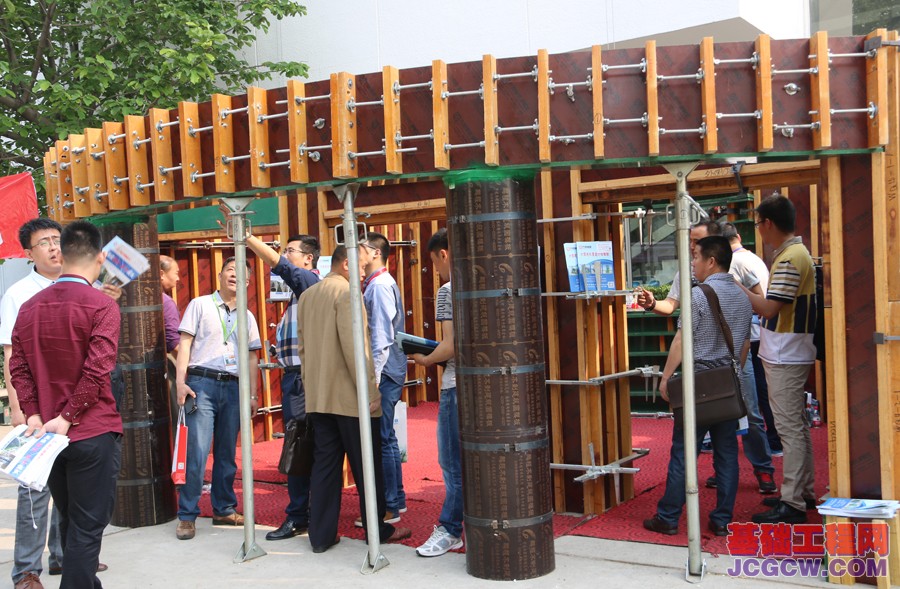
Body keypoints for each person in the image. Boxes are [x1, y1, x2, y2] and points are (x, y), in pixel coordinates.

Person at [9, 220, 123, 589]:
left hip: (48, 435)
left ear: (64, 253)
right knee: (87, 527)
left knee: (72, 520)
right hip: (90, 431)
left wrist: (35, 414)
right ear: (100, 257)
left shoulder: (29, 306)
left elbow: (18, 367)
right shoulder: (101, 305)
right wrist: (67, 416)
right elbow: (97, 370)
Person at [638, 220, 777, 495]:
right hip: (710, 360)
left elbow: (759, 301)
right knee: (721, 431)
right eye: (690, 240)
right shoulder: (688, 270)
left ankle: (763, 469)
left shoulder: (737, 266)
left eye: (697, 241)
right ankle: (721, 483)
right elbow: (671, 305)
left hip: (734, 358)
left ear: (713, 246)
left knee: (748, 413)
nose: (692, 247)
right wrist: (653, 304)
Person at [298, 244, 411, 552]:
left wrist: (312, 390)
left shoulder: (308, 296)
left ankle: (321, 536)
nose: (364, 272)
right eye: (361, 266)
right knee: (367, 468)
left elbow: (303, 351)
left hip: (319, 398)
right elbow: (356, 350)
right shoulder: (348, 294)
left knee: (325, 467)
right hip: (351, 400)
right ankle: (377, 530)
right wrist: (371, 392)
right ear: (346, 264)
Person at [644, 235, 752, 537]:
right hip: (727, 385)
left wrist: (666, 377)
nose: (693, 263)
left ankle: (668, 516)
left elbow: (681, 340)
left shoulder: (698, 296)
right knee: (727, 454)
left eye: (696, 257)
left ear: (711, 261)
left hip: (698, 385)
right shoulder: (743, 297)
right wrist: (732, 375)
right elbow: (744, 345)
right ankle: (722, 519)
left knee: (684, 452)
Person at [742, 195, 818, 525]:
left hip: (786, 351)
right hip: (790, 349)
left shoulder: (789, 258)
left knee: (789, 429)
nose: (759, 230)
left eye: (759, 223)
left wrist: (737, 287)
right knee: (795, 426)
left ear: (768, 224)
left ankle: (793, 501)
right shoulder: (795, 254)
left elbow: (770, 309)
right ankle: (801, 492)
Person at [174, 257, 261, 540]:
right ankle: (187, 515)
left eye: (242, 273)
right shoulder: (200, 304)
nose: (235, 276)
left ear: (248, 282)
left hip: (234, 387)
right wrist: (180, 382)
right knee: (197, 453)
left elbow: (252, 357)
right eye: (230, 270)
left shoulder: (248, 315)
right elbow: (184, 343)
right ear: (220, 275)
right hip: (201, 384)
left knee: (227, 454)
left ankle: (224, 508)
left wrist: (253, 394)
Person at [246, 231, 321, 540]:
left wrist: (247, 237)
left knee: (298, 446)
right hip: (296, 377)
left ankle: (300, 515)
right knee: (301, 446)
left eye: (291, 251)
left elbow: (279, 265)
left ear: (308, 259)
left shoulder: (309, 281)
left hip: (303, 379)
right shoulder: (297, 292)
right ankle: (306, 513)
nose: (285, 254)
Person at [411, 228, 464, 557]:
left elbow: (450, 346)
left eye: (434, 263)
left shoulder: (448, 290)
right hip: (486, 389)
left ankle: (450, 528)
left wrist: (425, 359)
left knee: (451, 462)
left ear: (443, 254)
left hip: (456, 387)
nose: (436, 271)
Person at [358, 231, 408, 526]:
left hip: (384, 371)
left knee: (383, 438)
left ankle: (390, 506)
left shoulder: (378, 286)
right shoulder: (379, 283)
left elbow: (381, 337)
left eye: (361, 248)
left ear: (376, 253)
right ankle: (395, 500)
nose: (356, 252)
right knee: (386, 437)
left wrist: (373, 381)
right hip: (389, 369)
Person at [722, 222, 783, 455]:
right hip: (763, 330)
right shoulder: (753, 258)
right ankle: (773, 440)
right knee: (762, 389)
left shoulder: (733, 262)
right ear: (738, 236)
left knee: (753, 394)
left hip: (750, 333)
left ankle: (768, 442)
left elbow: (756, 295)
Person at [160, 255, 181, 356]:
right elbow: (173, 343)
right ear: (161, 274)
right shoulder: (166, 302)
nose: (178, 278)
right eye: (176, 273)